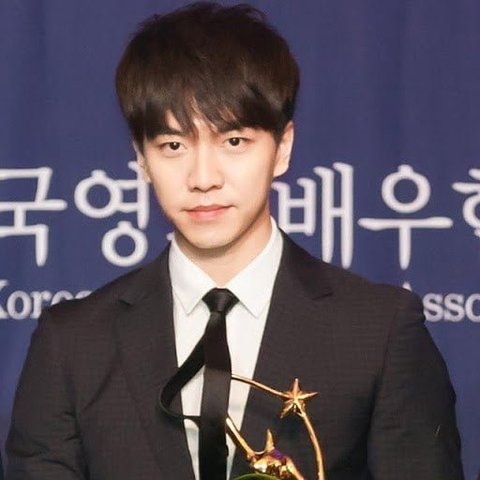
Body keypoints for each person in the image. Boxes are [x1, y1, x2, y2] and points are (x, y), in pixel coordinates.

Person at [6, 3, 463, 479]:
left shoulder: (379, 332)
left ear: (282, 148)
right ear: (141, 158)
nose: (203, 178)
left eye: (234, 142)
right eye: (173, 146)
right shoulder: (73, 343)